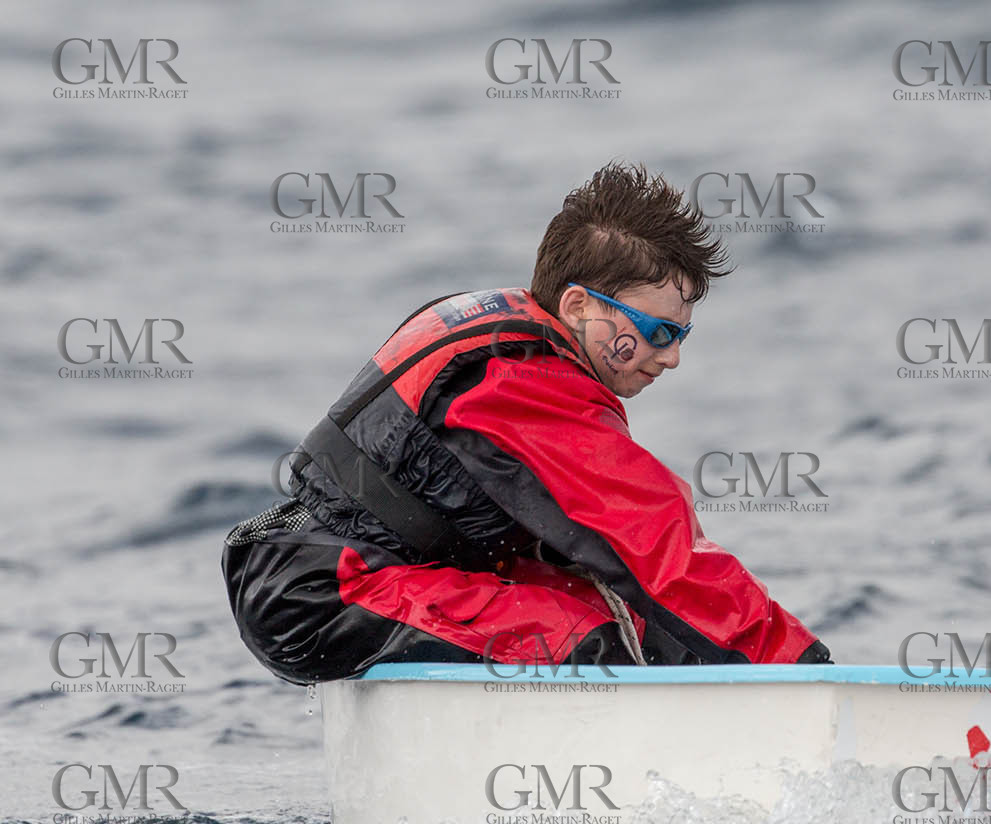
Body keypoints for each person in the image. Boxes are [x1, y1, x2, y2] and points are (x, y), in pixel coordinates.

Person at [222, 162, 830, 684]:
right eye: (657, 332)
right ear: (578, 306)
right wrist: (807, 676)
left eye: (682, 335)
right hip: (321, 594)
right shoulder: (518, 380)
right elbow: (655, 543)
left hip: (352, 572)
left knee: (627, 617)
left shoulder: (509, 344)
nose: (672, 356)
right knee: (586, 643)